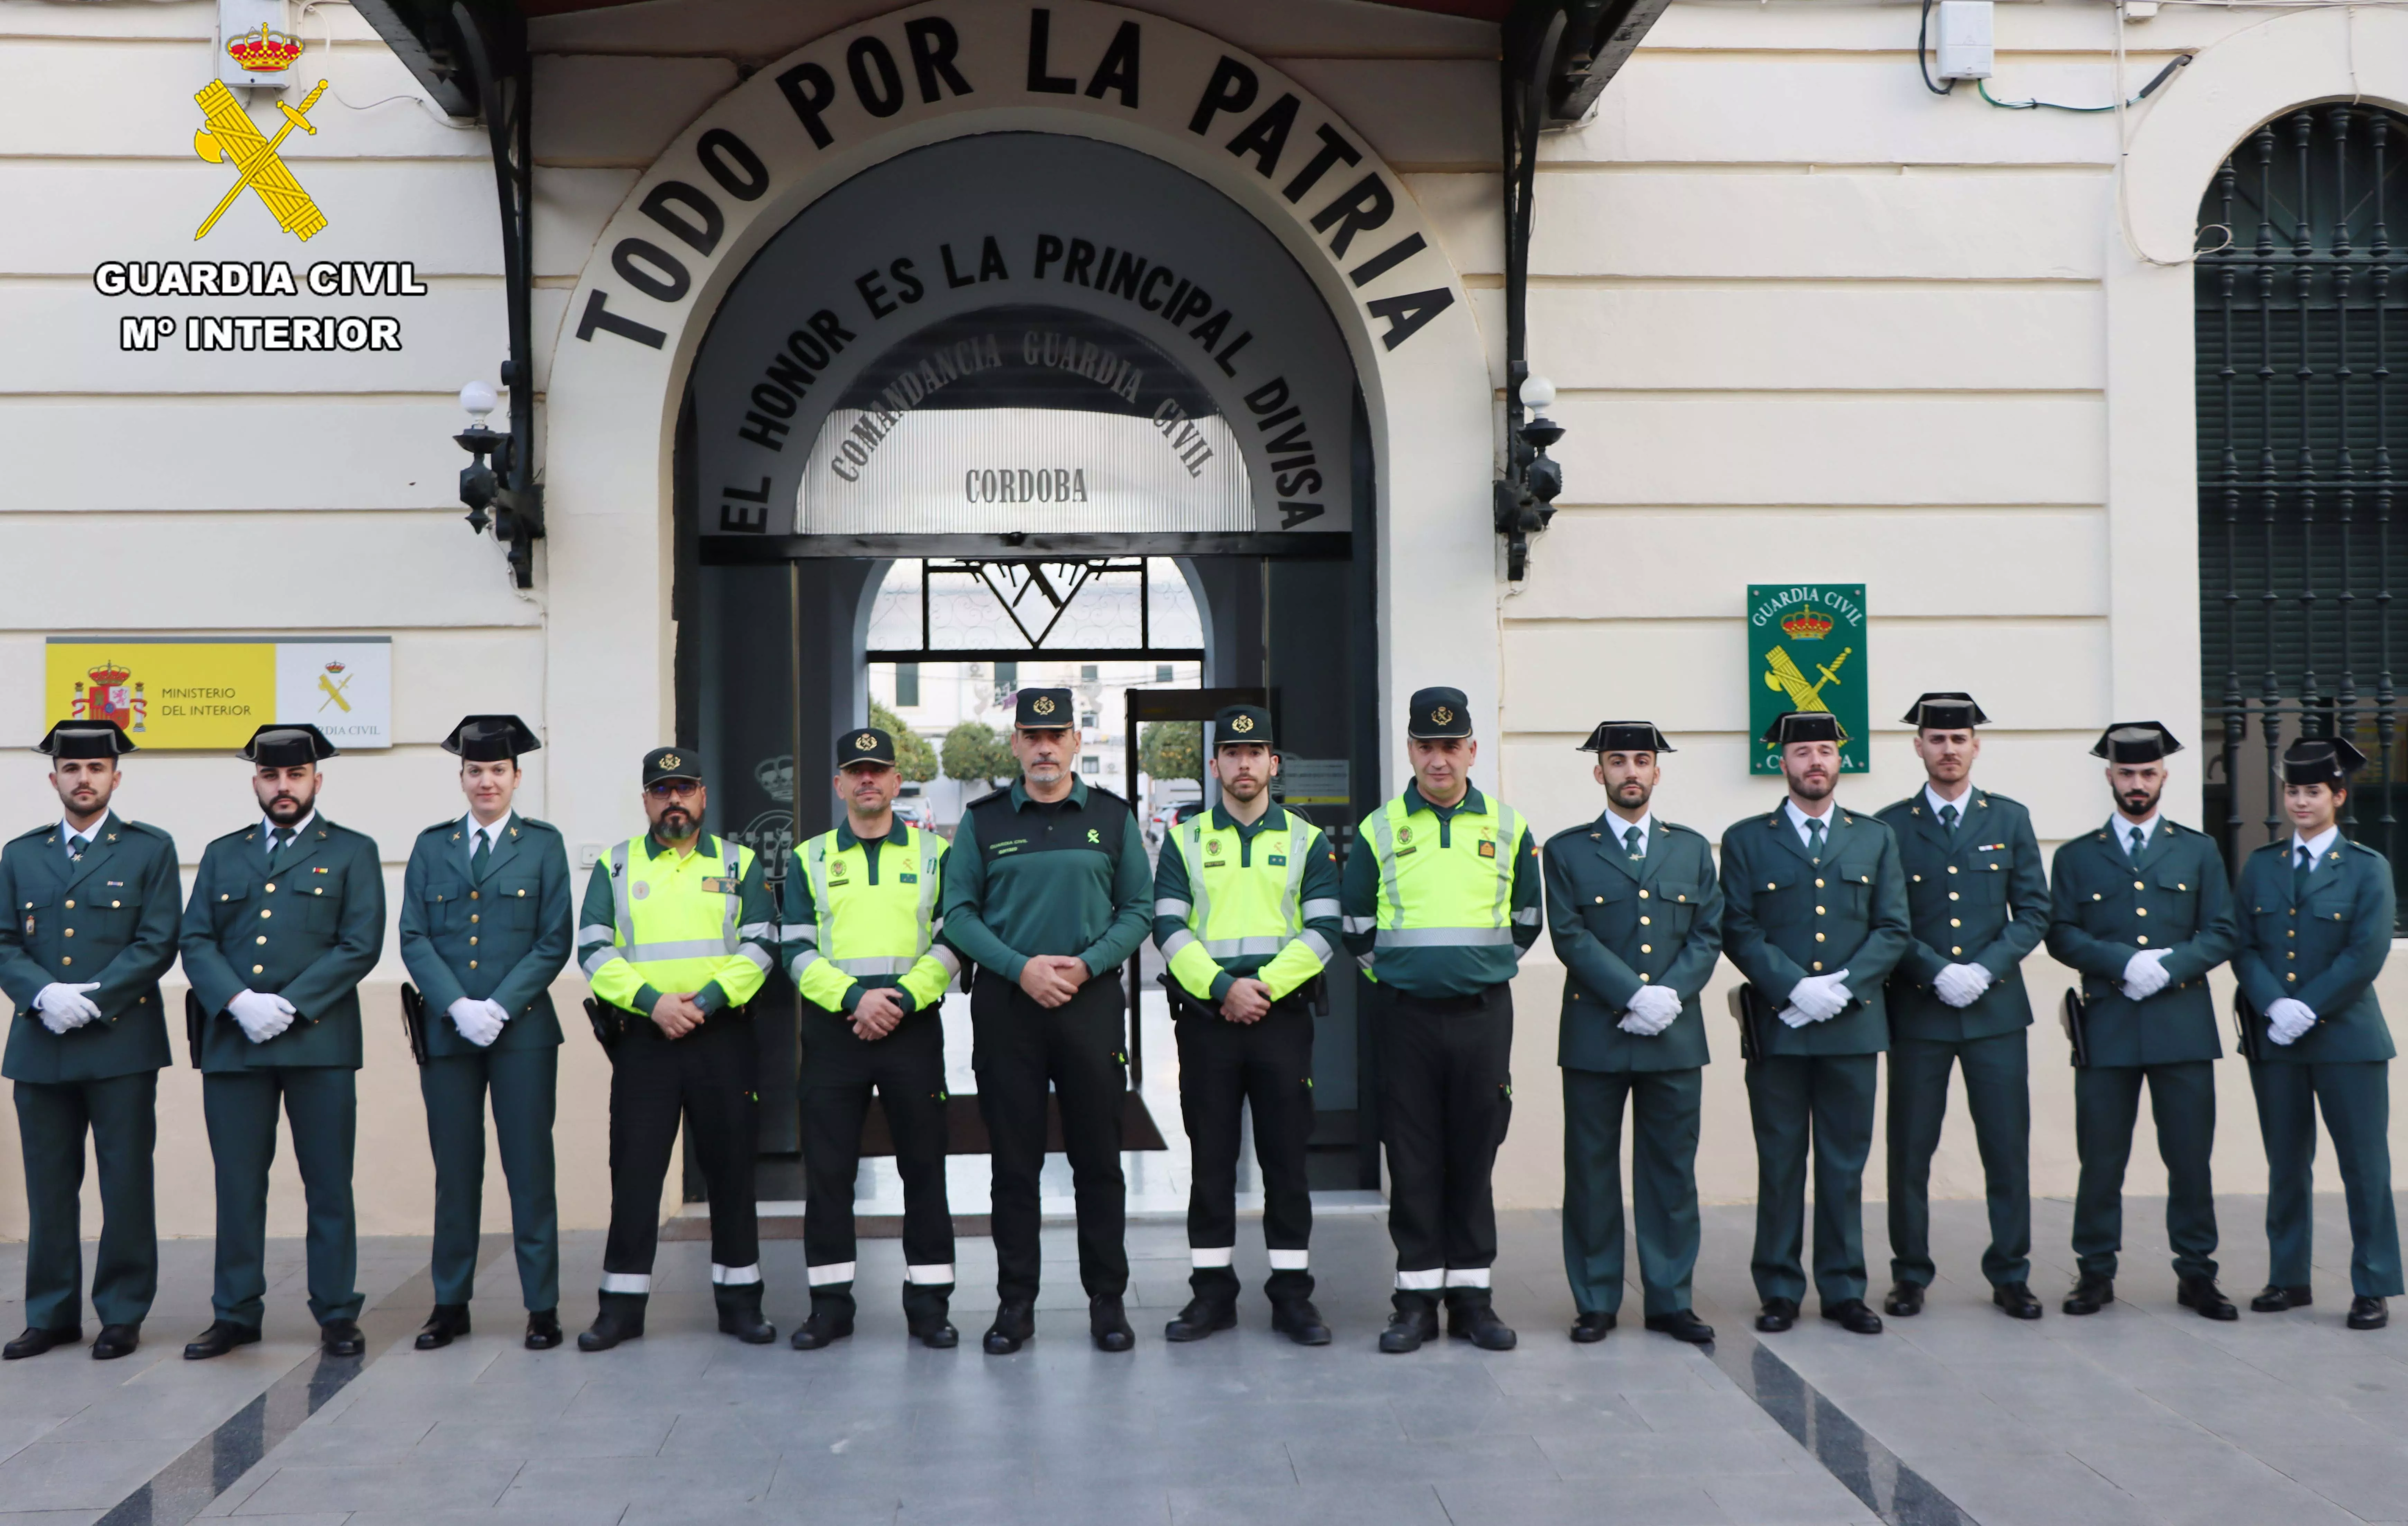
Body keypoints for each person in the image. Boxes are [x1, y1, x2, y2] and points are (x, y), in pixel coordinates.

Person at [939, 688, 1153, 1354]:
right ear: (1014, 745)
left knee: (1099, 1160)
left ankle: (1109, 1304)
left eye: (1056, 734)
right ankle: (1015, 1306)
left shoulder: (1114, 820)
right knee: (1014, 1165)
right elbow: (960, 915)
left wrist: (1086, 968)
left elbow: (1139, 911)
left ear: (1076, 741)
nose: (1044, 746)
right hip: (1009, 1008)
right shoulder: (982, 822)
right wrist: (1021, 968)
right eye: (1031, 735)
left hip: (1088, 1005)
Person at [1343, 686, 1541, 1354]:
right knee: (1414, 1156)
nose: (1439, 760)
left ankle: (1474, 1301)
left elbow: (1527, 922)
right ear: (1410, 751)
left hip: (1484, 1016)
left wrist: (1474, 974)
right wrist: (1409, 978)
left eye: (1451, 747)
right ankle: (1416, 1303)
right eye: (1426, 747)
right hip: (1406, 1019)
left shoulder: (1509, 828)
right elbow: (1356, 929)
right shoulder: (1378, 829)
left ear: (1472, 751)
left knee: (1475, 1153)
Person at [177, 724, 385, 1360]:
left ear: (317, 781)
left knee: (328, 1184)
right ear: (257, 784)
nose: (283, 787)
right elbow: (196, 940)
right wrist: (240, 1002)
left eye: (295, 776)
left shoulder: (352, 851)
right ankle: (235, 1312)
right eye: (271, 777)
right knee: (238, 1184)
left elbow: (360, 943)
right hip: (236, 1044)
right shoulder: (222, 853)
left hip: (319, 1043)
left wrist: (291, 1005)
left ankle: (337, 1312)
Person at [575, 746, 778, 1351]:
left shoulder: (739, 863)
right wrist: (653, 1004)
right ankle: (621, 1309)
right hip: (645, 1041)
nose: (674, 801)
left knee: (732, 1172)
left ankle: (741, 1306)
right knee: (635, 1173)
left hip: (723, 1039)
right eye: (661, 790)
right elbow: (592, 949)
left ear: (703, 796)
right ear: (645, 800)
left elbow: (763, 945)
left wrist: (708, 1001)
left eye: (684, 788)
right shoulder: (615, 867)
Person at [1151, 704, 1341, 1346]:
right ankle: (1212, 1297)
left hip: (1282, 1020)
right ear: (1215, 766)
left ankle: (1293, 1297)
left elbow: (1324, 931)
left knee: (1287, 1162)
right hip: (1207, 1021)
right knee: (1211, 1162)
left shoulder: (1306, 840)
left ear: (1273, 765)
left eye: (1255, 753)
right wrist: (1224, 988)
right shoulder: (1183, 840)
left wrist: (1262, 990)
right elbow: (1168, 928)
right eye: (1232, 754)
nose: (1243, 763)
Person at [1720, 710, 1910, 1337]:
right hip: (1780, 1026)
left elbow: (1893, 929)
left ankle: (1844, 1289)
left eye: (1825, 751)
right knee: (1779, 1161)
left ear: (1840, 761)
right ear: (1783, 763)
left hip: (1852, 1028)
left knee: (1844, 1164)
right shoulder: (1748, 839)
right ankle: (1778, 1288)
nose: (1815, 763)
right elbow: (1739, 927)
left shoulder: (1875, 837)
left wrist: (1842, 988)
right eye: (1802, 752)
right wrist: (1794, 986)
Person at [2046, 722, 2240, 1320]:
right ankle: (2094, 1272)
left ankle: (2198, 1274)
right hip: (2107, 1023)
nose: (2137, 784)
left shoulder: (2198, 850)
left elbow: (2224, 931)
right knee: (2101, 1157)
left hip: (2181, 1024)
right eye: (2126, 774)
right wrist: (2124, 963)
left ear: (2164, 777)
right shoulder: (2078, 856)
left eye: (2147, 774)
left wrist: (2174, 966)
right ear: (2109, 777)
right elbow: (2061, 933)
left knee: (2189, 1158)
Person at [0, 721, 178, 1361]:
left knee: (125, 1180)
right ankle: (51, 1314)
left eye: (96, 769)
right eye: (71, 770)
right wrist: (44, 995)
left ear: (115, 778)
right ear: (55, 780)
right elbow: (4, 941)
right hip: (41, 1040)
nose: (84, 779)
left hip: (120, 1043)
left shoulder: (148, 850)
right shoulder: (21, 854)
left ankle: (123, 1312)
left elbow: (158, 941)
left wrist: (94, 999)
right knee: (49, 1186)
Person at [783, 727, 962, 1352]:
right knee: (829, 1173)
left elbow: (952, 939)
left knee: (925, 1168)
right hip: (836, 1030)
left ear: (895, 781)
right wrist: (855, 1000)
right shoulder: (808, 858)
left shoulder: (934, 854)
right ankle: (831, 1307)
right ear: (839, 784)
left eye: (878, 771)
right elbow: (795, 950)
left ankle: (930, 1306)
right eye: (855, 771)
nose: (867, 780)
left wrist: (905, 998)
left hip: (911, 1026)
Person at [397, 715, 573, 1352]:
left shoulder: (544, 845)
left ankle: (542, 1304)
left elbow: (555, 940)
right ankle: (450, 1302)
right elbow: (413, 936)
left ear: (517, 777)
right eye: (476, 771)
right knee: (456, 1170)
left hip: (521, 1032)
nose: (487, 781)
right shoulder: (431, 845)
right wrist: (454, 1006)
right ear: (463, 778)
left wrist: (498, 1005)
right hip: (449, 1037)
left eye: (498, 770)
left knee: (530, 1170)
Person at [1874, 694, 2051, 1321]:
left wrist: (1985, 968)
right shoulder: (1889, 826)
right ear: (1917, 747)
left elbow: (2034, 911)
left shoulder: (2009, 819)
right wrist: (1934, 970)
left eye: (1960, 739)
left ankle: (2011, 1272)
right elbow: (1885, 920)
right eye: (1937, 739)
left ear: (1977, 747)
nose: (1949, 750)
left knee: (2006, 1148)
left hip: (1995, 1012)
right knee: (1910, 1151)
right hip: (1918, 1013)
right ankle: (1910, 1274)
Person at [1545, 721, 1721, 1346]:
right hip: (1598, 1032)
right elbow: (1570, 936)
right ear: (1600, 774)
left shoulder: (1693, 849)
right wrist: (1633, 995)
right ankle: (1595, 1299)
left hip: (1673, 1034)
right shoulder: (1567, 851)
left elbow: (1707, 933)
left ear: (1657, 772)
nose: (1630, 772)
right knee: (1591, 1173)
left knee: (1671, 1172)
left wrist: (1668, 995)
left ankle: (1671, 1299)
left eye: (1641, 761)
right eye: (1617, 762)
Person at [2233, 736, 2398, 1331]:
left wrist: (2309, 1005)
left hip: (2348, 1040)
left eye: (2313, 792)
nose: (2301, 802)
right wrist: (2275, 1005)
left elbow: (2366, 953)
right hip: (2279, 1038)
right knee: (2286, 1162)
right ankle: (2288, 1277)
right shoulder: (2261, 866)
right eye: (2293, 791)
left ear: (2338, 796)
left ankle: (2373, 1283)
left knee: (2364, 1165)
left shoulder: (2367, 868)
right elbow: (2244, 946)